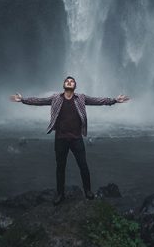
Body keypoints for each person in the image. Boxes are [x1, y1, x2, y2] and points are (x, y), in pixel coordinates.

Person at [10, 76, 130, 205]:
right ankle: (60, 194)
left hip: (76, 138)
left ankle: (88, 191)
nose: (69, 82)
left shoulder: (81, 98)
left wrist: (114, 100)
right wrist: (22, 100)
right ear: (63, 85)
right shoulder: (56, 98)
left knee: (83, 166)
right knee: (60, 167)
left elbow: (98, 101)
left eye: (72, 81)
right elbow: (40, 101)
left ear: (75, 86)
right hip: (60, 138)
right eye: (67, 81)